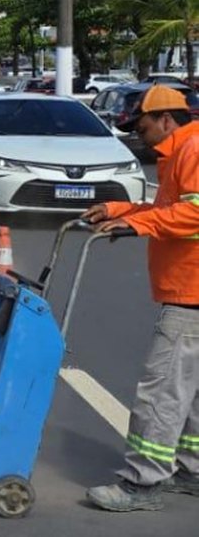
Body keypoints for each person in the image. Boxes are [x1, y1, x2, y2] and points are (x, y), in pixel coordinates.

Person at [82, 84, 199, 511]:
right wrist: (120, 212)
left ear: (166, 119)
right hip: (191, 290)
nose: (138, 133)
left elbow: (194, 214)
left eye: (143, 125)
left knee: (163, 391)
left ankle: (142, 483)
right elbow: (169, 209)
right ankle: (192, 469)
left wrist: (139, 227)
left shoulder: (193, 151)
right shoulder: (181, 153)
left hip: (191, 292)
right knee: (191, 392)